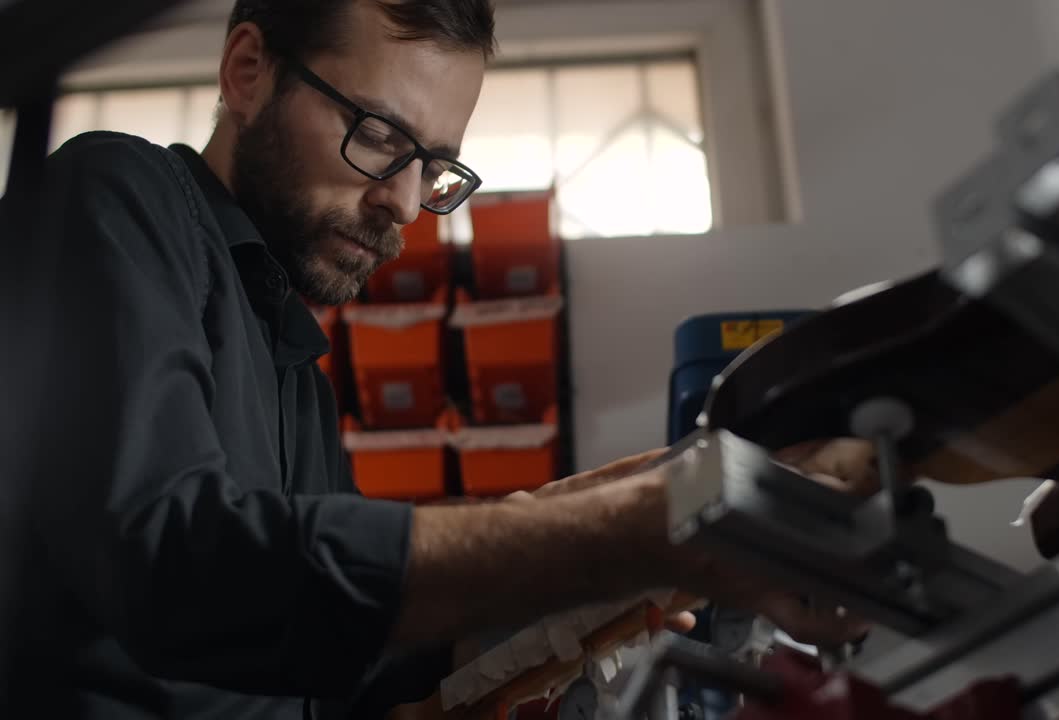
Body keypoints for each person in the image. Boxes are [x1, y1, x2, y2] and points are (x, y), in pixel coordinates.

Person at [0, 0, 872, 717]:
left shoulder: (294, 366)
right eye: (380, 136)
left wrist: (663, 523)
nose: (407, 204)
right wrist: (625, 530)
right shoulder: (115, 194)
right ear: (247, 71)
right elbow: (176, 563)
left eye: (435, 166)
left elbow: (347, 661)